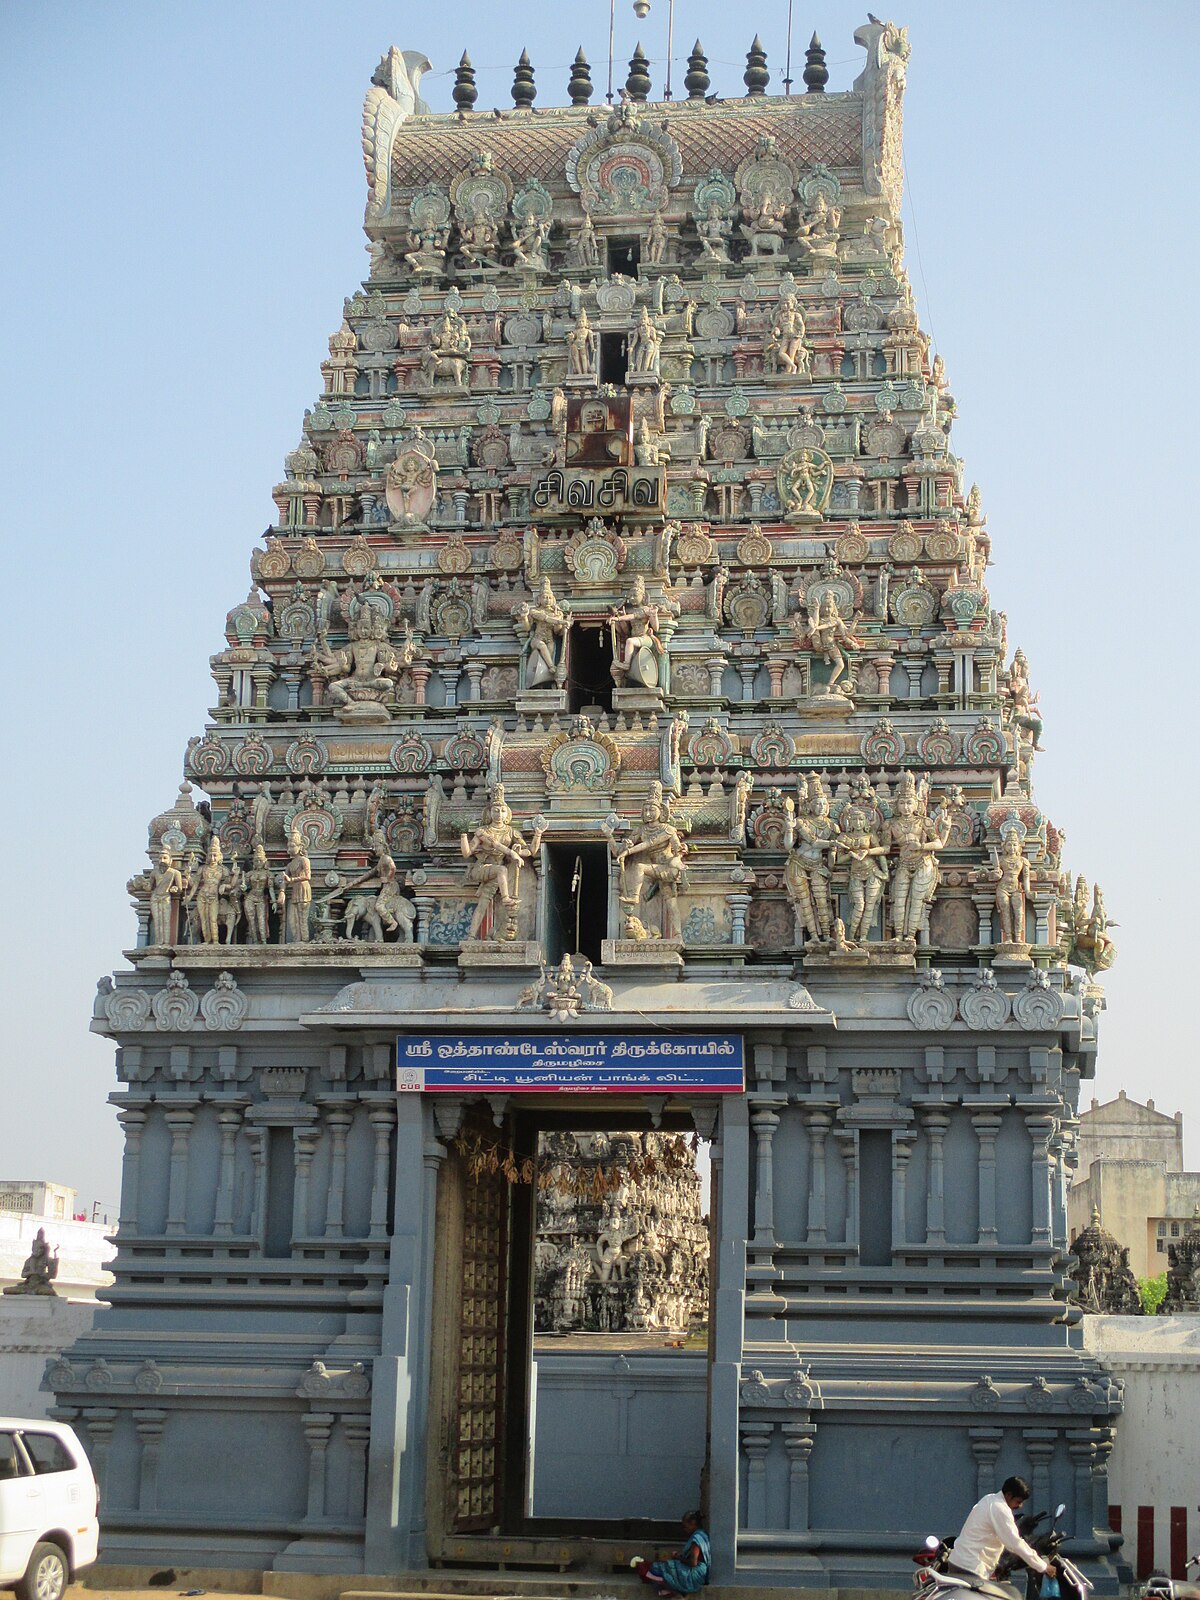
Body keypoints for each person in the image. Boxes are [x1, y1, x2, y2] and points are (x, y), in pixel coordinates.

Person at [948, 1476, 1056, 1599]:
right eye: (1018, 1501)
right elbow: (1015, 1543)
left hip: (959, 1562)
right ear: (1009, 1495)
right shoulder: (1000, 1509)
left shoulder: (989, 1499)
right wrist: (1043, 1566)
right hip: (970, 1568)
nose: (1020, 1506)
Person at [633, 1510, 710, 1596]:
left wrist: (678, 1557)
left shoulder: (697, 1539)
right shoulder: (703, 1535)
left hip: (694, 1575)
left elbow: (693, 1563)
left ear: (692, 1523)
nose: (684, 1529)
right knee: (664, 1565)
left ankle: (675, 1593)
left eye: (685, 1526)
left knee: (655, 1569)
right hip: (699, 1572)